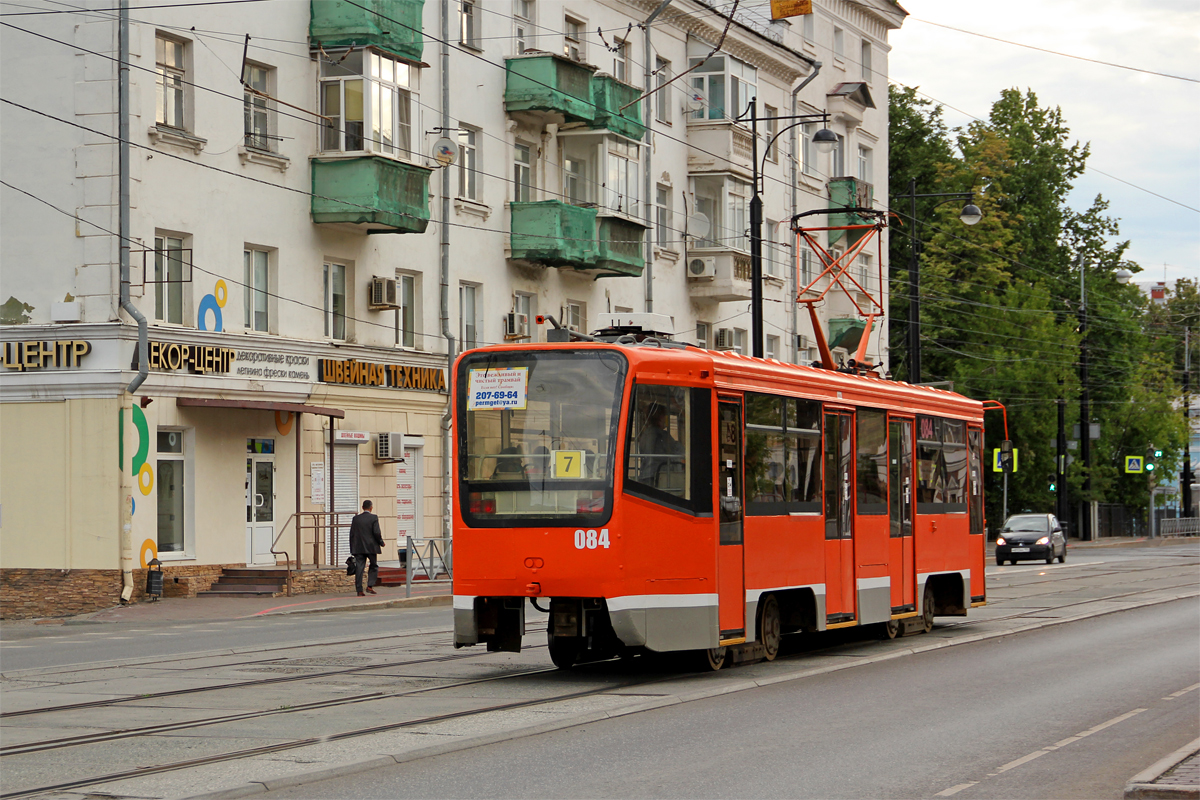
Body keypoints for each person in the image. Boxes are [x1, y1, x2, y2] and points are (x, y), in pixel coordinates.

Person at [637, 404, 684, 484]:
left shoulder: (645, 434)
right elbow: (678, 450)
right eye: (665, 415)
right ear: (660, 417)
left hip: (644, 475)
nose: (667, 418)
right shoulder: (661, 435)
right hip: (658, 476)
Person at [348, 499, 384, 597]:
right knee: (373, 565)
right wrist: (381, 542)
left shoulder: (356, 519)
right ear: (371, 508)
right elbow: (376, 532)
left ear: (362, 508)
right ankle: (370, 586)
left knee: (360, 567)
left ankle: (359, 590)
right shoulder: (374, 518)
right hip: (371, 547)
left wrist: (352, 548)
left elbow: (352, 534)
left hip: (359, 547)